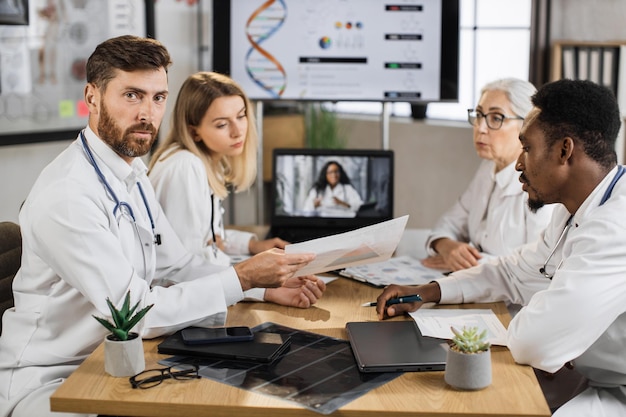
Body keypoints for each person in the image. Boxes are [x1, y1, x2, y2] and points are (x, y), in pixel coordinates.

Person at [0, 35, 323, 417]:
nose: (148, 114)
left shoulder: (131, 172)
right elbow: (135, 312)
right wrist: (243, 279)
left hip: (122, 361)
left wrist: (265, 290)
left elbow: (177, 266)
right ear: (92, 97)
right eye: (132, 95)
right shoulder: (68, 195)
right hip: (55, 379)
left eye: (158, 98)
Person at [376, 79, 626, 416]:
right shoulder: (572, 211)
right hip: (595, 377)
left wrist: (536, 317)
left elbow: (534, 341)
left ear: (565, 150)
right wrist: (430, 291)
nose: (519, 164)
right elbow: (513, 270)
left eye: (528, 148)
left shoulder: (614, 227)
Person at [148, 71, 326, 303]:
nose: (238, 130)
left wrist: (253, 245)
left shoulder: (204, 161)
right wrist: (264, 290)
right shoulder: (185, 167)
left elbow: (207, 237)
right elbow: (184, 271)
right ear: (194, 131)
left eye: (241, 116)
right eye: (222, 124)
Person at [422, 78, 554, 272]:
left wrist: (469, 263)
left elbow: (539, 265)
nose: (480, 128)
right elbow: (450, 221)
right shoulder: (488, 168)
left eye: (495, 118)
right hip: (476, 287)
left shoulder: (542, 186)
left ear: (528, 125)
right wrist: (446, 246)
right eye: (479, 115)